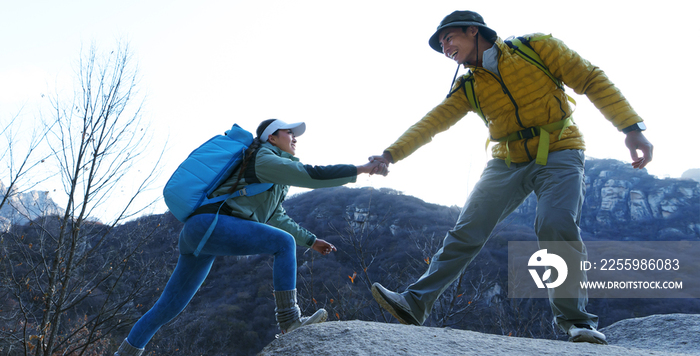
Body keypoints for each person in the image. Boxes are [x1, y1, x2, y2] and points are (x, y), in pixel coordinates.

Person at [369, 10, 653, 345]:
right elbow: (432, 123)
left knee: (555, 224)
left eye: (449, 38)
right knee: (466, 230)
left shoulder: (538, 49)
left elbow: (591, 79)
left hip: (560, 149)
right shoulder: (469, 86)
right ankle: (415, 303)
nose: (445, 48)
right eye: (441, 44)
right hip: (507, 160)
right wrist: (390, 154)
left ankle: (578, 322)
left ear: (473, 31)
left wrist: (631, 128)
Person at [115, 119, 387, 356]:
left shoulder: (274, 179)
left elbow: (277, 217)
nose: (294, 138)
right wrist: (361, 169)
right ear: (271, 137)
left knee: (167, 308)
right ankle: (290, 320)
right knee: (282, 243)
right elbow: (312, 175)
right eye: (288, 132)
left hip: (200, 232)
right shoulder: (264, 159)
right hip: (211, 224)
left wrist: (311, 241)